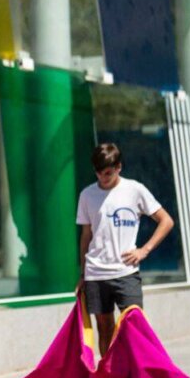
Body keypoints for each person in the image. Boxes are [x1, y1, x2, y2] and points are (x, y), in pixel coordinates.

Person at [75, 143, 175, 354]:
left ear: (119, 167)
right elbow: (86, 236)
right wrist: (83, 274)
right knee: (105, 330)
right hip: (96, 274)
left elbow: (166, 220)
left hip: (126, 273)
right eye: (98, 173)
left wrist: (144, 250)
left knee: (136, 330)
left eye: (108, 173)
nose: (103, 178)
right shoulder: (87, 195)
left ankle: (138, 377)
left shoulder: (135, 190)